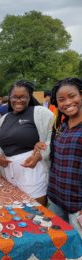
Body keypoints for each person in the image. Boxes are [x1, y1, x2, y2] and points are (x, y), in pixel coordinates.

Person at [0, 80, 55, 206]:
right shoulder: (4, 118)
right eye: (14, 97)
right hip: (7, 175)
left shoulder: (40, 112)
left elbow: (53, 136)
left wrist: (40, 154)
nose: (18, 100)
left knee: (34, 214)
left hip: (32, 173)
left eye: (23, 97)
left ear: (29, 97)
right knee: (12, 213)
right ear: (10, 98)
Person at [36, 78, 82, 238]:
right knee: (59, 245)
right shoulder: (61, 127)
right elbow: (55, 158)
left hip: (78, 205)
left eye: (72, 96)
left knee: (79, 251)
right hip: (56, 198)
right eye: (62, 99)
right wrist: (40, 148)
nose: (67, 102)